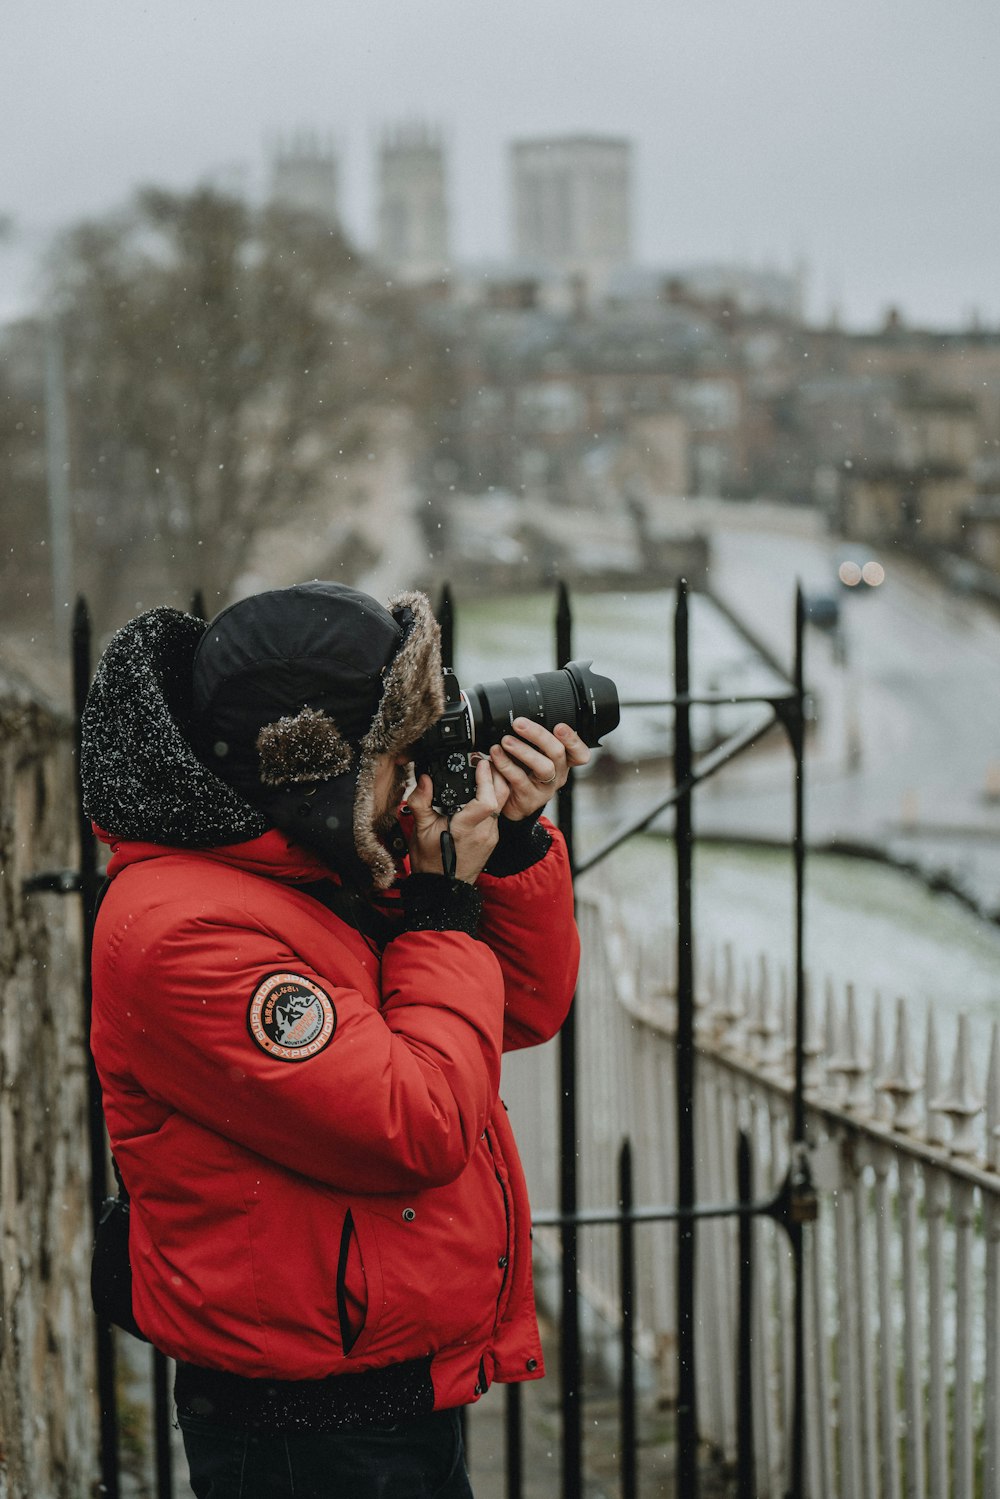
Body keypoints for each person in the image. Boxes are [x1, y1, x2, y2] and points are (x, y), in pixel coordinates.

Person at [82, 581, 587, 1499]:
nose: (410, 782)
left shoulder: (300, 866)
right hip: (304, 1432)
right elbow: (420, 1119)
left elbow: (520, 1007)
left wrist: (506, 850)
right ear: (316, 770)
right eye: (394, 756)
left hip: (381, 1386)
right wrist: (438, 906)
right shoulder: (185, 933)